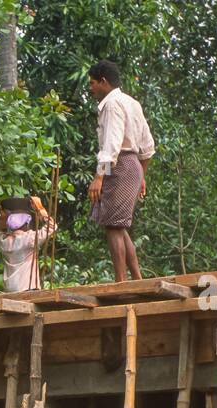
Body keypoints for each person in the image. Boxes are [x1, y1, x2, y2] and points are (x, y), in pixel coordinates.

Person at [87, 60, 155, 283]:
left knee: (113, 225)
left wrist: (99, 177)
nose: (91, 88)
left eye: (93, 83)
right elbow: (148, 146)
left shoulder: (112, 103)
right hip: (133, 165)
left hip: (120, 164)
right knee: (118, 222)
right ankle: (136, 277)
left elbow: (112, 145)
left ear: (103, 82)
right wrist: (141, 175)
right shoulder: (132, 103)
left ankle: (121, 281)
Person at [0, 195, 57, 292]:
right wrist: (40, 208)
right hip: (26, 288)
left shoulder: (3, 241)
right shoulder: (30, 239)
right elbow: (52, 227)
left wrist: (3, 216)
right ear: (27, 223)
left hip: (10, 290)